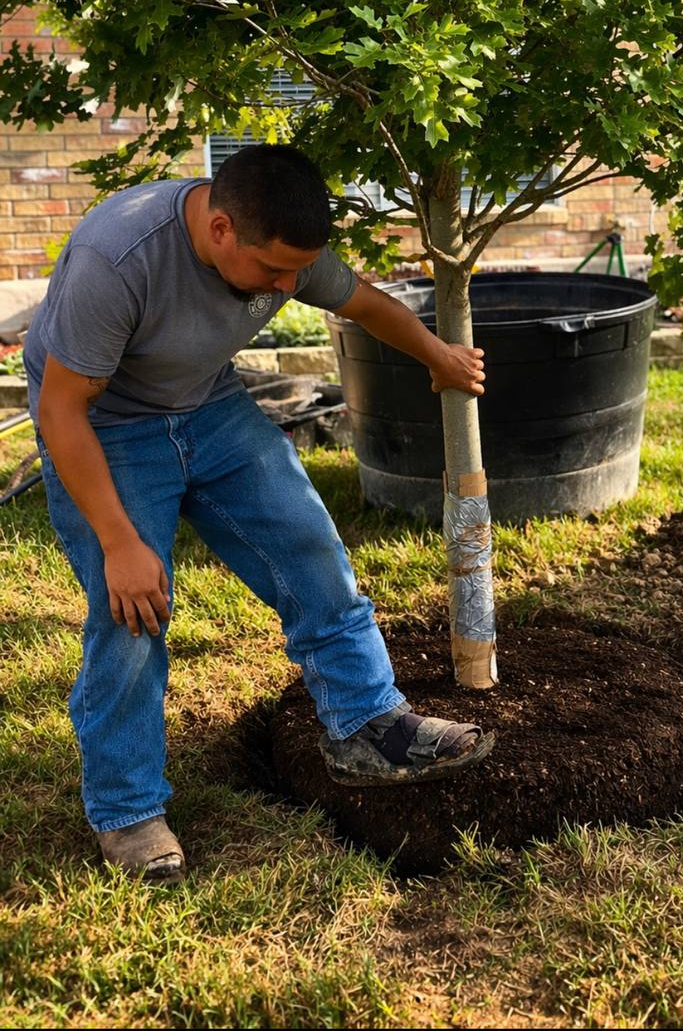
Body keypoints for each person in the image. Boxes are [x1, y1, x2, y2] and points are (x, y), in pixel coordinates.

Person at [23, 143, 493, 885]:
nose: (285, 286)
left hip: (209, 405)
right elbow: (59, 409)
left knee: (311, 552)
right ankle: (128, 811)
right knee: (132, 612)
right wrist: (119, 541)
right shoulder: (117, 260)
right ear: (219, 229)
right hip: (106, 424)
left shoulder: (287, 249)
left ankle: (366, 725)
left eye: (295, 272)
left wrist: (436, 353)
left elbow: (365, 302)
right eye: (272, 271)